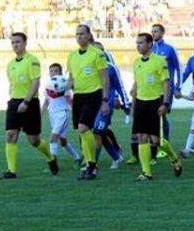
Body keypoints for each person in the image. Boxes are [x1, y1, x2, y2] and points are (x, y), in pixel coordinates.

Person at [0, 32, 58, 179]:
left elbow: (35, 83)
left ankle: (50, 157)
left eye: (18, 42)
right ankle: (11, 171)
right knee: (10, 135)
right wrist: (13, 99)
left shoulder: (32, 61)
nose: (15, 45)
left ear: (25, 43)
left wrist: (26, 102)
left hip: (30, 102)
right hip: (14, 102)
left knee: (33, 140)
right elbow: (12, 83)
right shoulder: (10, 64)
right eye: (12, 42)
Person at [131, 33, 183, 181]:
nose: (138, 46)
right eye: (137, 43)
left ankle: (174, 158)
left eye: (141, 43)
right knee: (141, 137)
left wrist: (165, 103)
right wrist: (133, 103)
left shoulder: (160, 61)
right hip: (141, 102)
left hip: (155, 102)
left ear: (149, 44)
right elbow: (136, 83)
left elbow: (166, 84)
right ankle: (146, 172)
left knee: (157, 141)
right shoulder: (136, 62)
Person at [67, 25, 109, 180]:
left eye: (82, 34)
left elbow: (105, 77)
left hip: (94, 94)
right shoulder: (72, 55)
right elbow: (71, 78)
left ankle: (91, 163)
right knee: (81, 130)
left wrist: (105, 100)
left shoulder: (97, 54)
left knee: (84, 127)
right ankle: (88, 163)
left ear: (89, 35)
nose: (79, 37)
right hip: (78, 95)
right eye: (77, 34)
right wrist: (62, 88)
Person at [91, 41, 129, 169]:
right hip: (92, 105)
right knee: (101, 133)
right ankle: (116, 156)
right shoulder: (88, 68)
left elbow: (120, 86)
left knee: (97, 132)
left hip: (106, 105)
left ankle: (92, 164)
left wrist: (126, 103)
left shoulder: (111, 68)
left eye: (99, 51)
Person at [41, 63, 81, 165]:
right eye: (51, 71)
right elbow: (46, 102)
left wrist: (76, 113)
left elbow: (70, 100)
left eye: (56, 71)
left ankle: (53, 163)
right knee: (62, 141)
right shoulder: (48, 86)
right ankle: (77, 157)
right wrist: (39, 116)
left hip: (62, 114)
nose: (53, 73)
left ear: (61, 72)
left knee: (53, 138)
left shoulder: (64, 85)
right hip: (52, 114)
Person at [151, 24, 181, 155]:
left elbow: (178, 68)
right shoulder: (149, 48)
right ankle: (156, 144)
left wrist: (178, 87)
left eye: (156, 31)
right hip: (152, 89)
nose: (153, 33)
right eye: (152, 31)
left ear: (162, 33)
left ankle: (164, 145)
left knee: (162, 115)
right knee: (153, 117)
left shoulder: (169, 49)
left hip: (166, 88)